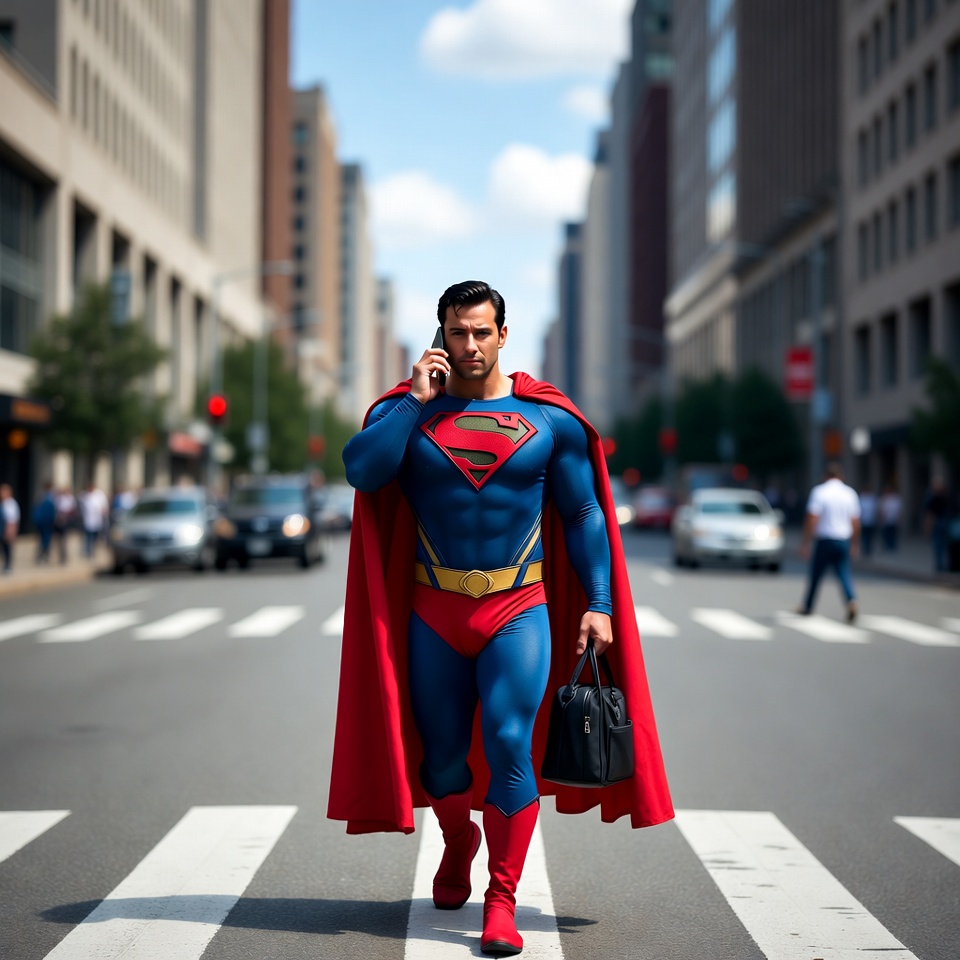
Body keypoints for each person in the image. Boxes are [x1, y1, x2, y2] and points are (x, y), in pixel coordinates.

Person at [329, 280, 673, 956]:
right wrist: (414, 401)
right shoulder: (407, 412)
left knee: (512, 741)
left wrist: (599, 603)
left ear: (503, 335)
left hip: (519, 607)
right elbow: (362, 473)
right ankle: (459, 839)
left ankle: (502, 897)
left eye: (482, 332)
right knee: (444, 759)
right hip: (435, 607)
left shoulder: (550, 421)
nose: (470, 345)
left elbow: (583, 513)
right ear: (441, 336)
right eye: (457, 332)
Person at [797, 462, 862, 622]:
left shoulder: (819, 492)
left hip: (825, 539)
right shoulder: (850, 493)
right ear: (841, 476)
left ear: (825, 476)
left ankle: (808, 605)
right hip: (843, 539)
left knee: (816, 574)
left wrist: (805, 542)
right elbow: (855, 521)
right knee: (843, 572)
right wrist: (855, 544)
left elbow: (812, 518)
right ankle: (851, 600)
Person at [924, 476, 952, 572]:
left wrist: (927, 528)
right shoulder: (945, 497)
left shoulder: (934, 498)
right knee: (943, 544)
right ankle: (942, 564)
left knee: (939, 544)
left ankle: (940, 564)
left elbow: (930, 515)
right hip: (945, 522)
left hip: (939, 522)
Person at [78, 480, 109, 558]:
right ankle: (88, 551)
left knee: (95, 536)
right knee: (88, 536)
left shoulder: (100, 495)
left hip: (97, 519)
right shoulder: (84, 495)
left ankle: (93, 550)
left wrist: (103, 512)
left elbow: (104, 507)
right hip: (88, 519)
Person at [32, 481, 57, 564]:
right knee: (44, 540)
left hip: (46, 522)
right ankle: (42, 555)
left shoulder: (45, 497)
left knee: (45, 540)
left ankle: (43, 555)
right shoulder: (45, 497)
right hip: (45, 522)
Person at [53, 486, 77, 564]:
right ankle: (61, 555)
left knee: (64, 539)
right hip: (59, 521)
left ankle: (64, 556)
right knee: (60, 539)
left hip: (66, 521)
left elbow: (72, 510)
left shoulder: (70, 498)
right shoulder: (58, 499)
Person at [1, 483, 21, 574]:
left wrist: (10, 532)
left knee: (8, 549)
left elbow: (12, 520)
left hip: (7, 530)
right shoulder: (3, 503)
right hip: (3, 529)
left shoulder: (11, 503)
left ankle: (8, 566)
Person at [879, 482, 902, 551]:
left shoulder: (896, 499)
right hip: (886, 520)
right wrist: (881, 519)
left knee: (893, 534)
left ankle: (893, 547)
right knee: (886, 534)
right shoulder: (884, 499)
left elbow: (898, 510)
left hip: (893, 520)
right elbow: (882, 510)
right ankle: (887, 547)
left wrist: (899, 519)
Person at [859, 484, 878, 556]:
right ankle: (865, 550)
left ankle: (869, 550)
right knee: (864, 536)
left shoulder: (872, 498)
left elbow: (875, 509)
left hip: (870, 521)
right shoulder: (862, 498)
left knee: (870, 536)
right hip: (863, 521)